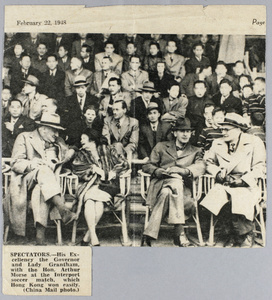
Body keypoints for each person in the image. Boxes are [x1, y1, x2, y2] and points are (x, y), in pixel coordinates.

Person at [5, 113, 77, 245]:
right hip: (26, 180)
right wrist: (32, 164)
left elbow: (69, 153)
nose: (56, 134)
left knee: (41, 190)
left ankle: (40, 238)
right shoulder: (25, 137)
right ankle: (62, 209)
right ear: (43, 128)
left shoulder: (58, 141)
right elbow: (15, 163)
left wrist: (56, 161)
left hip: (46, 185)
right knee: (43, 170)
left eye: (58, 131)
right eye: (54, 130)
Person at [200, 113, 266, 247]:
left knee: (239, 197)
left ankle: (244, 235)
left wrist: (243, 180)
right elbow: (208, 163)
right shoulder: (217, 143)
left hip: (247, 185)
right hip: (224, 183)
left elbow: (260, 167)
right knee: (219, 196)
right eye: (222, 129)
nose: (222, 132)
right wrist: (218, 173)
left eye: (226, 129)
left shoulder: (254, 142)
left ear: (238, 129)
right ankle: (229, 234)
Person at [141, 117, 206, 247]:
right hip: (161, 183)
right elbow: (147, 165)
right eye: (182, 131)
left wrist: (183, 171)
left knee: (168, 191)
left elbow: (201, 166)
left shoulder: (196, 150)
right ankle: (179, 233)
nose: (185, 134)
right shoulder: (161, 146)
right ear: (175, 133)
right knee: (172, 184)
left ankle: (149, 233)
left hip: (181, 190)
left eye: (188, 131)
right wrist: (159, 171)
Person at [71, 128, 129, 246]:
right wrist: (92, 168)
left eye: (83, 138)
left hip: (106, 186)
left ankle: (88, 237)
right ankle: (93, 237)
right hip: (88, 186)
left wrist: (114, 171)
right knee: (92, 201)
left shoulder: (107, 150)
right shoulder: (81, 154)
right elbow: (76, 168)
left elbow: (124, 163)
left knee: (94, 201)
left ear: (92, 140)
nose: (81, 141)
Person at [186, 80, 213, 145]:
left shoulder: (209, 101)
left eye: (201, 88)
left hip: (202, 125)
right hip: (190, 123)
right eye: (197, 88)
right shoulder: (190, 100)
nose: (199, 91)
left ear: (205, 89)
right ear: (194, 90)